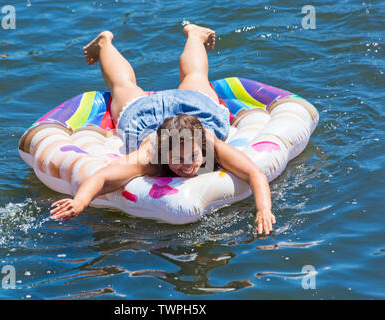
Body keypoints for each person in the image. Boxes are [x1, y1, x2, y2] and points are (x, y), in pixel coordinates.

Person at [50, 24, 276, 235]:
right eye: (177, 158)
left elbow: (255, 174)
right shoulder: (149, 157)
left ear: (201, 147)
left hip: (194, 107)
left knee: (195, 77)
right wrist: (79, 202)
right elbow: (102, 177)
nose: (188, 165)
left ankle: (195, 34)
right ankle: (104, 43)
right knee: (123, 86)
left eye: (194, 156)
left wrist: (263, 210)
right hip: (146, 116)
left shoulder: (210, 144)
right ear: (164, 153)